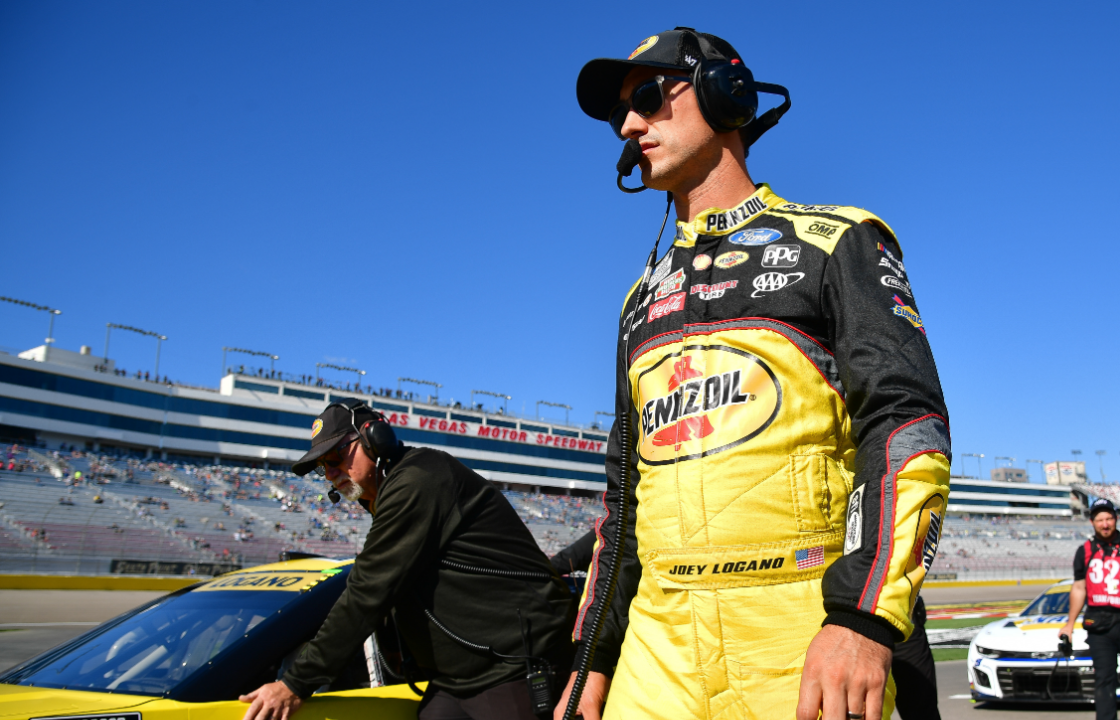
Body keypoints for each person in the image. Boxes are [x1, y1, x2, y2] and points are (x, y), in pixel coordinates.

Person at [561, 27, 951, 720]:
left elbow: (905, 425)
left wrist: (862, 618)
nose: (628, 124)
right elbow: (623, 499)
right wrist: (593, 657)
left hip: (801, 630)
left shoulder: (837, 240)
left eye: (648, 97)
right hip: (659, 648)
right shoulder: (638, 300)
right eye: (623, 112)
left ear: (725, 94)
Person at [239, 400, 575, 720]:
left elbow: (368, 591)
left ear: (375, 439)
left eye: (337, 456)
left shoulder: (418, 479)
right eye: (322, 466)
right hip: (459, 679)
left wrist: (296, 683)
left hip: (514, 667)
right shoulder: (393, 489)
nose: (330, 473)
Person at [1059, 498, 1120, 720]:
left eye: (1109, 518)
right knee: (1103, 679)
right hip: (1099, 624)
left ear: (1116, 519)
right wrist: (1069, 624)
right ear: (1092, 522)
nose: (1105, 524)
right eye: (1100, 519)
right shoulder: (1085, 551)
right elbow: (1079, 588)